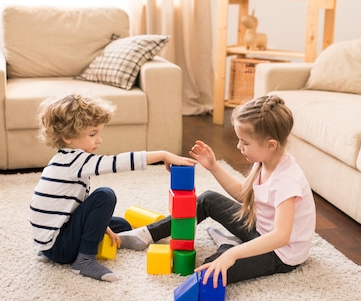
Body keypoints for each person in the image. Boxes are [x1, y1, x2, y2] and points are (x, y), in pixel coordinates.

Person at [119, 94, 316, 288]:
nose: (239, 146)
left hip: (280, 252)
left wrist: (232, 254)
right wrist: (213, 166)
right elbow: (243, 194)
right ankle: (145, 235)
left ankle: (228, 246)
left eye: (245, 143)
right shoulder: (265, 160)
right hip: (259, 229)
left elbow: (281, 236)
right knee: (207, 199)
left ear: (270, 145)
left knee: (211, 272)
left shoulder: (287, 181)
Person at [30, 94, 196, 282]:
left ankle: (63, 249)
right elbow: (117, 162)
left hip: (50, 243)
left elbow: (70, 206)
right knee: (104, 196)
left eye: (99, 133)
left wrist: (104, 227)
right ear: (67, 137)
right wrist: (162, 154)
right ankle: (84, 260)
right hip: (59, 246)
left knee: (120, 225)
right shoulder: (76, 160)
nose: (99, 140)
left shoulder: (63, 159)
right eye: (92, 134)